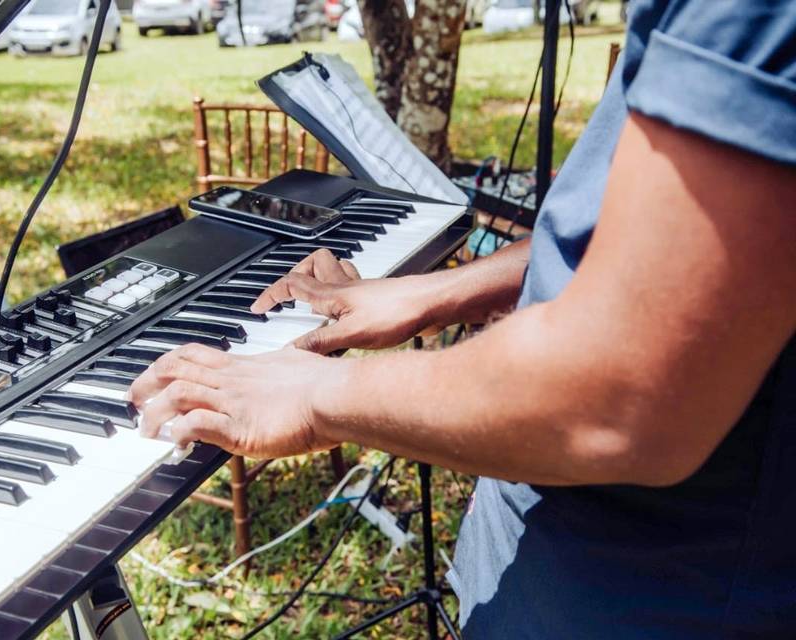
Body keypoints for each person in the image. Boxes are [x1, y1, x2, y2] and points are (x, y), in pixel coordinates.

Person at [128, 0, 796, 636]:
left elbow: (620, 397)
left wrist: (313, 395)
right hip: (564, 563)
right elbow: (651, 236)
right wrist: (439, 293)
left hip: (657, 596)